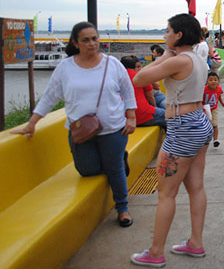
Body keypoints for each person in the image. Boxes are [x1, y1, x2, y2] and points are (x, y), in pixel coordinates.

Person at [12, 21, 137, 227]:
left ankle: (122, 208)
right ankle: (118, 160)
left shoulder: (112, 64)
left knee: (114, 169)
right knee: (87, 169)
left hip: (113, 128)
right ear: (75, 43)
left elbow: (127, 91)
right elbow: (50, 97)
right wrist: (32, 123)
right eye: (85, 40)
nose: (91, 43)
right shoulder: (65, 68)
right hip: (80, 130)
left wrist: (131, 117)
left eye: (94, 38)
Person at [130, 14, 213, 267]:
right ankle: (195, 243)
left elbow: (139, 78)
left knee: (166, 194)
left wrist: (165, 54)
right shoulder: (198, 59)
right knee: (196, 187)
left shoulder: (178, 61)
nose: (164, 36)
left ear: (178, 35)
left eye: (167, 31)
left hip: (182, 127)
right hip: (199, 122)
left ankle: (156, 253)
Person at [120, 56, 166, 129]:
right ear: (134, 66)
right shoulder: (139, 76)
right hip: (143, 114)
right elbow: (150, 96)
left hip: (123, 118)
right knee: (172, 117)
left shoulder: (117, 77)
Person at [203, 72, 224, 148]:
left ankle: (215, 139)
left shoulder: (219, 89)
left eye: (215, 80)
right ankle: (203, 139)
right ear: (207, 82)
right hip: (204, 109)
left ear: (218, 81)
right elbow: (199, 98)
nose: (213, 81)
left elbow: (218, 96)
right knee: (204, 125)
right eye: (211, 80)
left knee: (215, 124)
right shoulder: (204, 89)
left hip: (213, 109)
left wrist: (222, 103)